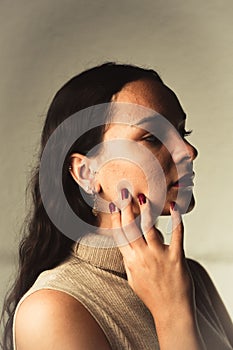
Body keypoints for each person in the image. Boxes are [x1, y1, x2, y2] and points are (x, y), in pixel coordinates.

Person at [1, 62, 233, 350]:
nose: (188, 151)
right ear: (86, 173)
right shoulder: (51, 310)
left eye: (182, 133)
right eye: (151, 137)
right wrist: (171, 312)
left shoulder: (190, 277)